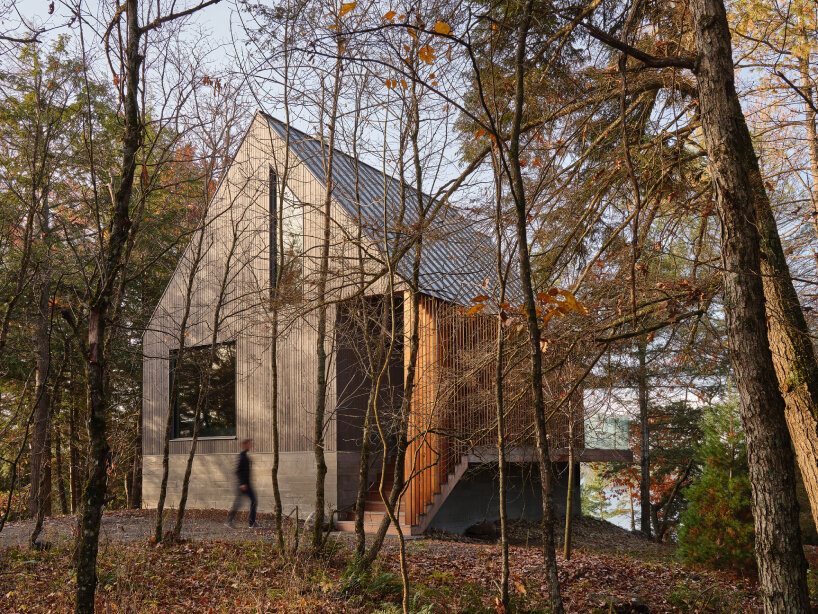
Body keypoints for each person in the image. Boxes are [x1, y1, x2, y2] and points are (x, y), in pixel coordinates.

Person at [225, 438, 259, 528]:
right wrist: (242, 483)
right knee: (250, 501)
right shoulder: (241, 456)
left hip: (246, 484)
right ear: (245, 445)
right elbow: (237, 471)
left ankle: (250, 522)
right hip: (243, 485)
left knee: (247, 501)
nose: (251, 445)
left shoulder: (245, 456)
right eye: (249, 444)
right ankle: (250, 523)